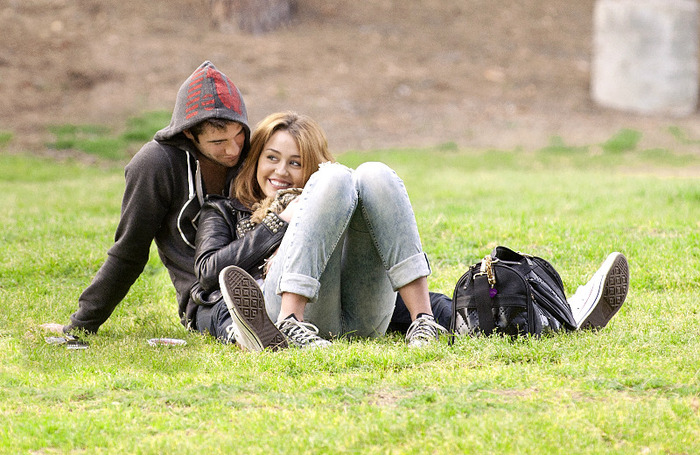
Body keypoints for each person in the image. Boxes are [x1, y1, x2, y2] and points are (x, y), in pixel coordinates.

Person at [194, 111, 449, 350]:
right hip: (278, 309)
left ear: (311, 169)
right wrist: (281, 222)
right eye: (272, 157)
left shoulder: (334, 195)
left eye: (296, 163)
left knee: (375, 173)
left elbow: (373, 277)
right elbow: (208, 273)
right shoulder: (223, 210)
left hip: (362, 317)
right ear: (256, 159)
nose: (281, 171)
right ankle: (291, 318)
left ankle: (424, 320)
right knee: (336, 176)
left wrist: (461, 312)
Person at [41, 61, 251, 337]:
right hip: (209, 299)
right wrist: (81, 325)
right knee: (227, 313)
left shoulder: (257, 152)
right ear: (188, 132)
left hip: (267, 276)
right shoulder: (155, 166)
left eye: (239, 135)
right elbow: (129, 251)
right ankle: (244, 329)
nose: (233, 149)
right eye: (218, 142)